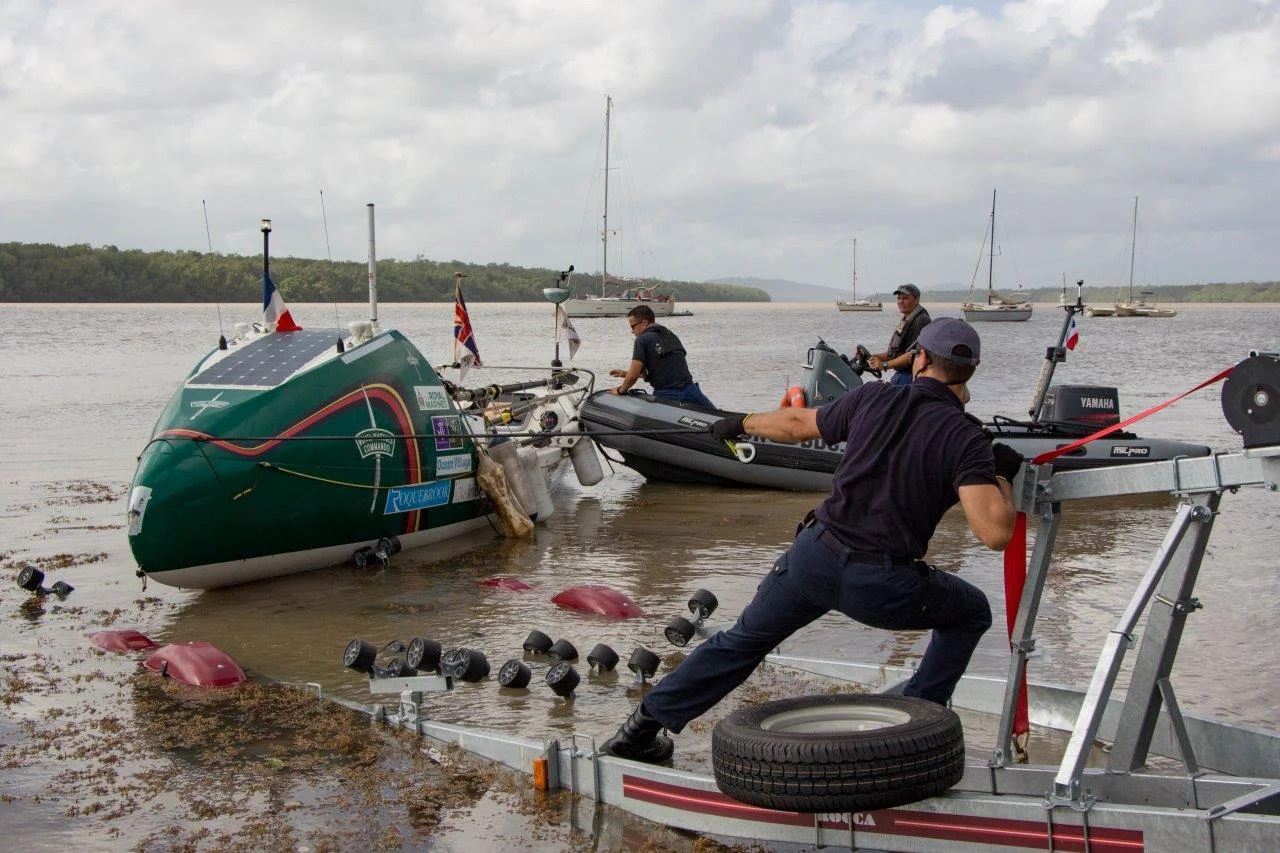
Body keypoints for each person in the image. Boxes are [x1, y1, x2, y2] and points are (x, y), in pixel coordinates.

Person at [601, 318, 1023, 763]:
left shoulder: (873, 396)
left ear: (919, 358)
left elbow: (799, 423)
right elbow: (995, 532)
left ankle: (638, 731)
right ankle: (917, 716)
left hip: (812, 556)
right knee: (972, 611)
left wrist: (741, 422)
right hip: (881, 584)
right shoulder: (966, 438)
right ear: (970, 373)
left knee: (742, 642)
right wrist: (1000, 474)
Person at [610, 305, 715, 408]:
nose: (632, 331)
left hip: (666, 394)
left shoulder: (641, 340)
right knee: (720, 421)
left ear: (644, 323)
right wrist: (626, 374)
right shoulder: (670, 335)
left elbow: (632, 377)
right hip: (691, 391)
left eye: (633, 326)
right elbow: (665, 371)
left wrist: (620, 390)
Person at [868, 283, 931, 386]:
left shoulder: (921, 320)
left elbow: (913, 354)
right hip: (901, 376)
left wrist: (884, 365)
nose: (900, 302)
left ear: (916, 300)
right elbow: (893, 354)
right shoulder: (906, 319)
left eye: (905, 298)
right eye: (899, 298)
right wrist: (871, 357)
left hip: (910, 378)